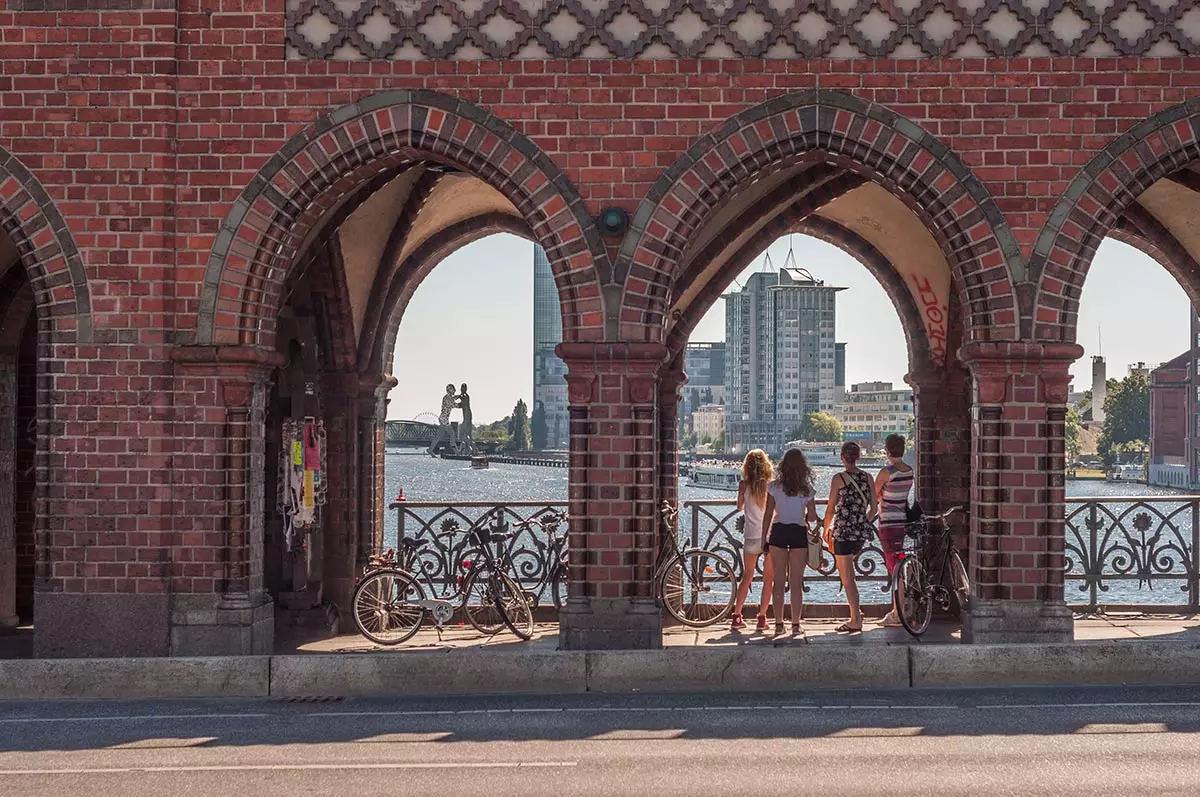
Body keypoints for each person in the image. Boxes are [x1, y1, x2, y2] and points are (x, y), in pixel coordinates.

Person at [761, 448, 819, 636]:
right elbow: (811, 518)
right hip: (798, 533)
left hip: (778, 532)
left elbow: (769, 514)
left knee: (778, 581)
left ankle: (778, 623)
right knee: (796, 582)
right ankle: (795, 624)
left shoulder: (774, 487)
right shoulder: (807, 491)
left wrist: (764, 538)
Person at [823, 441, 878, 633]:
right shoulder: (868, 477)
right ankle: (856, 613)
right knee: (849, 575)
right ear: (858, 457)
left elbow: (831, 508)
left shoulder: (839, 478)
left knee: (847, 577)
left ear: (842, 458)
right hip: (860, 534)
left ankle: (855, 618)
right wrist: (863, 522)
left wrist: (825, 528)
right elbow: (874, 508)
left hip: (843, 533)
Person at [730, 449, 776, 631]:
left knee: (747, 576)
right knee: (768, 579)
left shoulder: (743, 485)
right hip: (769, 535)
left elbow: (739, 506)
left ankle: (736, 615)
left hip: (750, 534)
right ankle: (762, 617)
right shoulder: (770, 486)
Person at [875, 434, 914, 627]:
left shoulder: (886, 472)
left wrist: (882, 495)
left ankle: (897, 613)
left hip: (887, 524)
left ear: (888, 450)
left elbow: (873, 495)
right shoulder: (909, 471)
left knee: (894, 568)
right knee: (900, 563)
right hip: (902, 523)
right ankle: (900, 608)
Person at [427, 384, 458, 456]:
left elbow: (454, 398)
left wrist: (460, 396)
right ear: (450, 390)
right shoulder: (447, 398)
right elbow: (455, 405)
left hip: (443, 419)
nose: (455, 391)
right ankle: (455, 450)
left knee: (439, 436)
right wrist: (463, 404)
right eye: (453, 389)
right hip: (444, 420)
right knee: (452, 434)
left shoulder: (448, 397)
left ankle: (430, 450)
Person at [456, 383, 473, 454]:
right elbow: (460, 404)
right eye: (461, 388)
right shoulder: (463, 396)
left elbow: (461, 401)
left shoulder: (466, 396)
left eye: (462, 388)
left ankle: (469, 448)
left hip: (468, 416)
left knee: (466, 431)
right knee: (462, 431)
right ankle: (465, 448)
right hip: (465, 417)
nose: (461, 390)